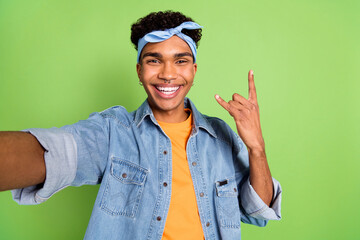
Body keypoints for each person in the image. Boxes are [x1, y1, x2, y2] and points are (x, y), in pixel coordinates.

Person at [0, 10, 281, 240]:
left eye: (180, 61)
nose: (168, 74)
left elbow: (256, 209)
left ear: (193, 70)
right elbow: (54, 153)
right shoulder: (114, 131)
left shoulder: (220, 136)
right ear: (139, 70)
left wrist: (257, 148)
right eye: (154, 60)